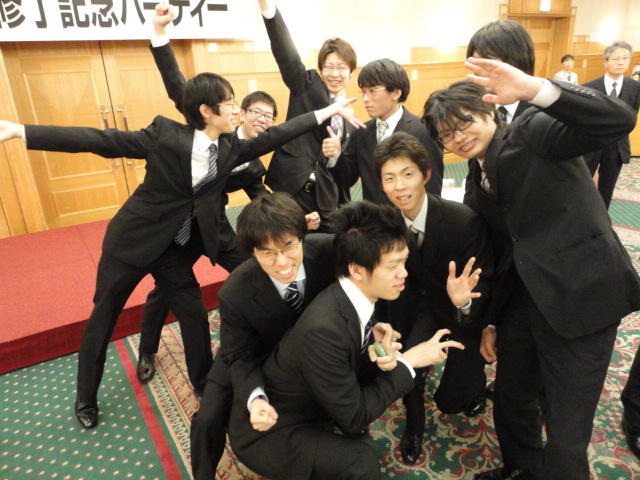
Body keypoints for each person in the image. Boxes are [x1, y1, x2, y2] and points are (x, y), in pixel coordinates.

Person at [0, 64, 359, 429]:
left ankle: (203, 383)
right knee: (104, 316)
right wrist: (20, 131)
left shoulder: (229, 147)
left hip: (173, 247)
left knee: (193, 312)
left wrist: (327, 111)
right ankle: (85, 397)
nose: (236, 110)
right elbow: (97, 140)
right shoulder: (164, 136)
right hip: (132, 242)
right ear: (206, 111)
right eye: (230, 103)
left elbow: (278, 134)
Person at [422, 57, 640, 479]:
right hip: (526, 300)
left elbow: (618, 120)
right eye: (446, 134)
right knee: (512, 399)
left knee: (566, 434)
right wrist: (491, 321)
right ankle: (522, 469)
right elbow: (504, 252)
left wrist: (536, 89)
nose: (458, 137)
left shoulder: (532, 131)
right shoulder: (475, 180)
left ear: (489, 111)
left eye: (464, 123)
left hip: (583, 298)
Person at [134, 4, 321, 385]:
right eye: (256, 112)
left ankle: (264, 334)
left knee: (254, 265)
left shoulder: (253, 161)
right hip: (174, 225)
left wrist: (291, 221)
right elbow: (177, 86)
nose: (262, 120)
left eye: (269, 117)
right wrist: (160, 36)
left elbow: (261, 196)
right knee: (163, 290)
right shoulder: (212, 131)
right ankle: (147, 349)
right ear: (241, 111)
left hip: (212, 227)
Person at [228, 201, 480, 480]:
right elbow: (356, 416)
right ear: (357, 270)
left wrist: (374, 340)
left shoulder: (353, 291)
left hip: (315, 397)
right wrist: (410, 360)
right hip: (274, 428)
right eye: (394, 266)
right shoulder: (323, 330)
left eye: (404, 262)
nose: (404, 273)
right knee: (363, 463)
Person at [190, 192, 336, 480]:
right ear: (252, 253)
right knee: (208, 418)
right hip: (251, 351)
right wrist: (255, 398)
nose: (281, 262)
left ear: (302, 236)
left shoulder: (330, 251)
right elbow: (238, 355)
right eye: (267, 252)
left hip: (310, 352)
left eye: (288, 246)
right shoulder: (234, 291)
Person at [373, 131, 493, 464]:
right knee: (407, 368)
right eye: (389, 178)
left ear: (426, 175)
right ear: (381, 184)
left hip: (460, 312)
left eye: (407, 174)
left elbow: (486, 285)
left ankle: (475, 384)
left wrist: (463, 302)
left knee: (451, 402)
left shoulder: (464, 221)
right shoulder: (384, 225)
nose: (399, 187)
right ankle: (414, 426)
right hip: (411, 310)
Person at [258, 0, 362, 228]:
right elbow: (285, 52)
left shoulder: (352, 117)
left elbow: (346, 170)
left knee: (332, 242)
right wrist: (268, 9)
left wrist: (336, 154)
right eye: (329, 67)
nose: (335, 74)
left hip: (326, 196)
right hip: (290, 187)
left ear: (351, 72)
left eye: (341, 68)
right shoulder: (306, 84)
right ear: (321, 69)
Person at [336, 58, 443, 204]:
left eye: (372, 91)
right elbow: (347, 179)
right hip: (373, 216)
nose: (365, 99)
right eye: (363, 92)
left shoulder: (423, 130)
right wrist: (336, 154)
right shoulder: (361, 131)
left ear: (396, 93)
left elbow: (433, 188)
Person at [583, 41, 640, 208]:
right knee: (582, 183)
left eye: (625, 58)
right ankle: (580, 216)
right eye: (616, 59)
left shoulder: (635, 88)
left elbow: (632, 115)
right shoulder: (590, 87)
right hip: (591, 144)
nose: (621, 62)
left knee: (607, 187)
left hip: (617, 145)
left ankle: (602, 219)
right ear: (606, 62)